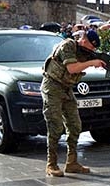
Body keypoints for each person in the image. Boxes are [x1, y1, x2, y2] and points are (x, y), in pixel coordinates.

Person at [41, 29, 105, 177]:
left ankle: (72, 162)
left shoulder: (85, 53)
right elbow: (72, 68)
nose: (92, 50)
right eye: (91, 46)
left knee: (75, 125)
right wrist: (92, 63)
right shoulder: (68, 45)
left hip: (66, 89)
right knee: (55, 125)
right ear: (84, 41)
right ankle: (51, 164)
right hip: (52, 86)